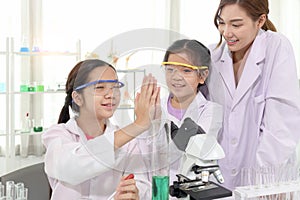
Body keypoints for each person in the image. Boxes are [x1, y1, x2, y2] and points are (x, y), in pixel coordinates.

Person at [208, 0, 300, 190]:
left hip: (266, 180)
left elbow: (280, 129)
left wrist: (257, 188)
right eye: (222, 22)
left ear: (260, 21)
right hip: (219, 179)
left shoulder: (276, 47)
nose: (226, 32)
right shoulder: (213, 56)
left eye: (236, 24)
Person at [42, 59, 160, 199]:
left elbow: (143, 184)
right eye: (100, 87)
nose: (111, 94)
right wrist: (138, 125)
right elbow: (72, 168)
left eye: (115, 87)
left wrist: (135, 192)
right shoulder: (58, 135)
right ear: (78, 98)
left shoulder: (128, 142)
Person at [160, 39, 223, 192]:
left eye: (186, 70)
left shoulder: (211, 111)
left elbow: (196, 148)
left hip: (194, 189)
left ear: (202, 76)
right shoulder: (155, 107)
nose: (176, 77)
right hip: (157, 189)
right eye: (170, 69)